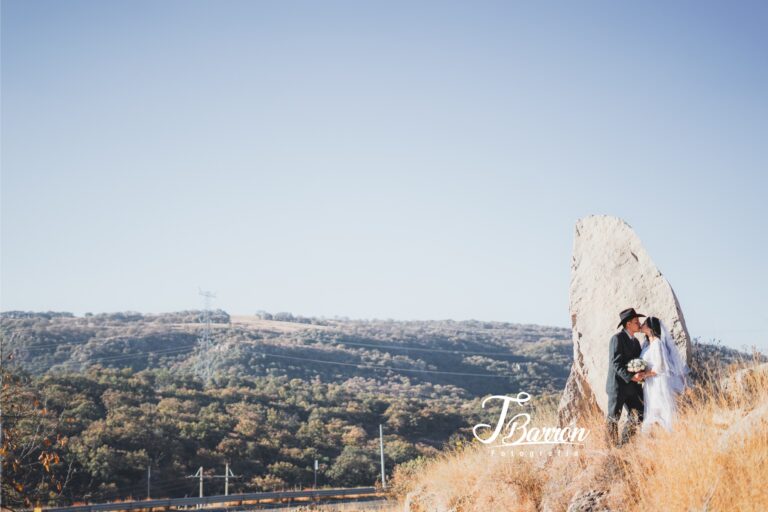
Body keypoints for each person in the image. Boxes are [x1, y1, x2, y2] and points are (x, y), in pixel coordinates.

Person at [638, 316, 690, 433]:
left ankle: (670, 435)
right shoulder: (646, 346)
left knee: (662, 410)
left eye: (644, 323)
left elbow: (660, 367)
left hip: (658, 382)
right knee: (652, 410)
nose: (641, 325)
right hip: (650, 384)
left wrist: (645, 374)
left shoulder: (657, 343)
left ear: (650, 328)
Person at [605, 308, 646, 446]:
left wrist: (641, 374)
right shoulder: (617, 339)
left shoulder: (636, 342)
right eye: (636, 321)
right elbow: (615, 364)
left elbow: (639, 362)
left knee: (639, 413)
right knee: (613, 418)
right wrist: (632, 377)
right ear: (628, 324)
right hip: (617, 386)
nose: (639, 324)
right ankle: (610, 449)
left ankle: (624, 444)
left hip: (631, 388)